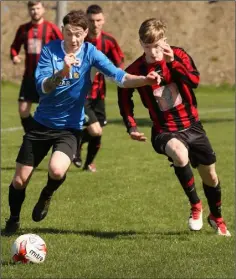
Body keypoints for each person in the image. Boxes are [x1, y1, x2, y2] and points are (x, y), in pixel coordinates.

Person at [4, 10, 160, 235]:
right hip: (41, 125)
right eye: (68, 33)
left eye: (78, 34)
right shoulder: (50, 51)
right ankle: (14, 219)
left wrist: (145, 80)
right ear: (62, 32)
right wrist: (63, 70)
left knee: (57, 171)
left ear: (86, 33)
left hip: (70, 128)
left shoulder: (91, 54)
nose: (73, 39)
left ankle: (47, 194)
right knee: (19, 181)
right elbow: (43, 88)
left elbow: (120, 77)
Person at [118, 18, 231, 236]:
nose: (153, 52)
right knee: (179, 155)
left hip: (193, 126)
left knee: (211, 177)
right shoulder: (136, 68)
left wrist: (172, 64)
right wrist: (131, 125)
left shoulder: (178, 55)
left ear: (164, 40)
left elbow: (194, 81)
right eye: (148, 46)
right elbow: (124, 94)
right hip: (164, 130)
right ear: (141, 44)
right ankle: (195, 205)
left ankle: (216, 217)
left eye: (157, 45)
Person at [73, 4, 125, 172]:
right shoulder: (79, 41)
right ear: (86, 21)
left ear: (104, 20)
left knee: (99, 130)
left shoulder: (109, 41)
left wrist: (119, 76)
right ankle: (75, 142)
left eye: (98, 20)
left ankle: (87, 163)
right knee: (95, 130)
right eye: (91, 20)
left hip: (100, 94)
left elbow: (119, 63)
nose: (95, 24)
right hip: (82, 94)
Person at [10, 1, 63, 133]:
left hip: (47, 76)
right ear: (29, 10)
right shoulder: (23, 29)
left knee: (50, 111)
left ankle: (59, 136)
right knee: (23, 110)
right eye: (32, 9)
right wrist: (14, 56)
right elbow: (14, 47)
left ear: (43, 9)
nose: (35, 11)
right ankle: (33, 134)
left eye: (38, 8)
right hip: (29, 76)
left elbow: (63, 45)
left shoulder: (51, 28)